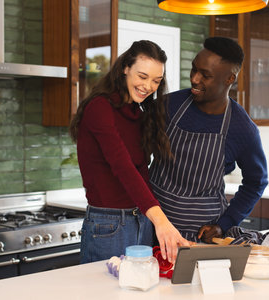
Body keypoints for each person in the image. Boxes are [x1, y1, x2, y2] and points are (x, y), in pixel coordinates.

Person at [69, 40, 190, 264]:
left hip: (141, 220)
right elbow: (122, 167)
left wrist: (154, 219)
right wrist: (161, 221)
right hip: (108, 225)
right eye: (142, 76)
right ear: (125, 68)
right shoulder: (99, 108)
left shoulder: (138, 112)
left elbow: (141, 170)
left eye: (156, 80)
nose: (148, 86)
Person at [149, 37, 268, 243]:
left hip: (200, 238)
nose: (195, 79)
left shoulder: (242, 129)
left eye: (206, 75)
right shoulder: (168, 105)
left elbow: (256, 182)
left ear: (229, 79)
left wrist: (225, 224)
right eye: (194, 69)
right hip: (150, 228)